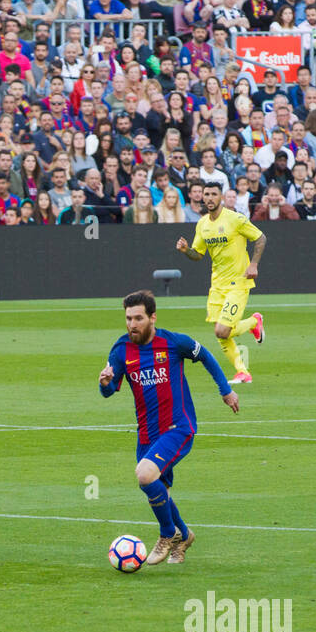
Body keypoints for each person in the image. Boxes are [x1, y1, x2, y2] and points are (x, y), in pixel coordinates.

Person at [98, 289, 239, 565]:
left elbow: (207, 356)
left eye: (138, 318)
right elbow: (109, 389)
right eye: (128, 318)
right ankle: (184, 535)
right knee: (158, 487)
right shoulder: (121, 349)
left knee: (145, 474)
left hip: (178, 428)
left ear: (152, 317)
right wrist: (104, 382)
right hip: (147, 435)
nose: (132, 324)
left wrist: (226, 390)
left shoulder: (173, 343)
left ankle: (167, 534)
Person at [175, 184, 267, 384]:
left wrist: (253, 264)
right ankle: (243, 371)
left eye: (213, 194)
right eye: (206, 194)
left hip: (239, 282)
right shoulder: (202, 224)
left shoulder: (235, 219)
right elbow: (198, 255)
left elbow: (260, 238)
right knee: (221, 332)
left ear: (221, 197)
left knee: (221, 330)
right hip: (217, 284)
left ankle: (253, 323)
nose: (209, 198)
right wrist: (186, 250)